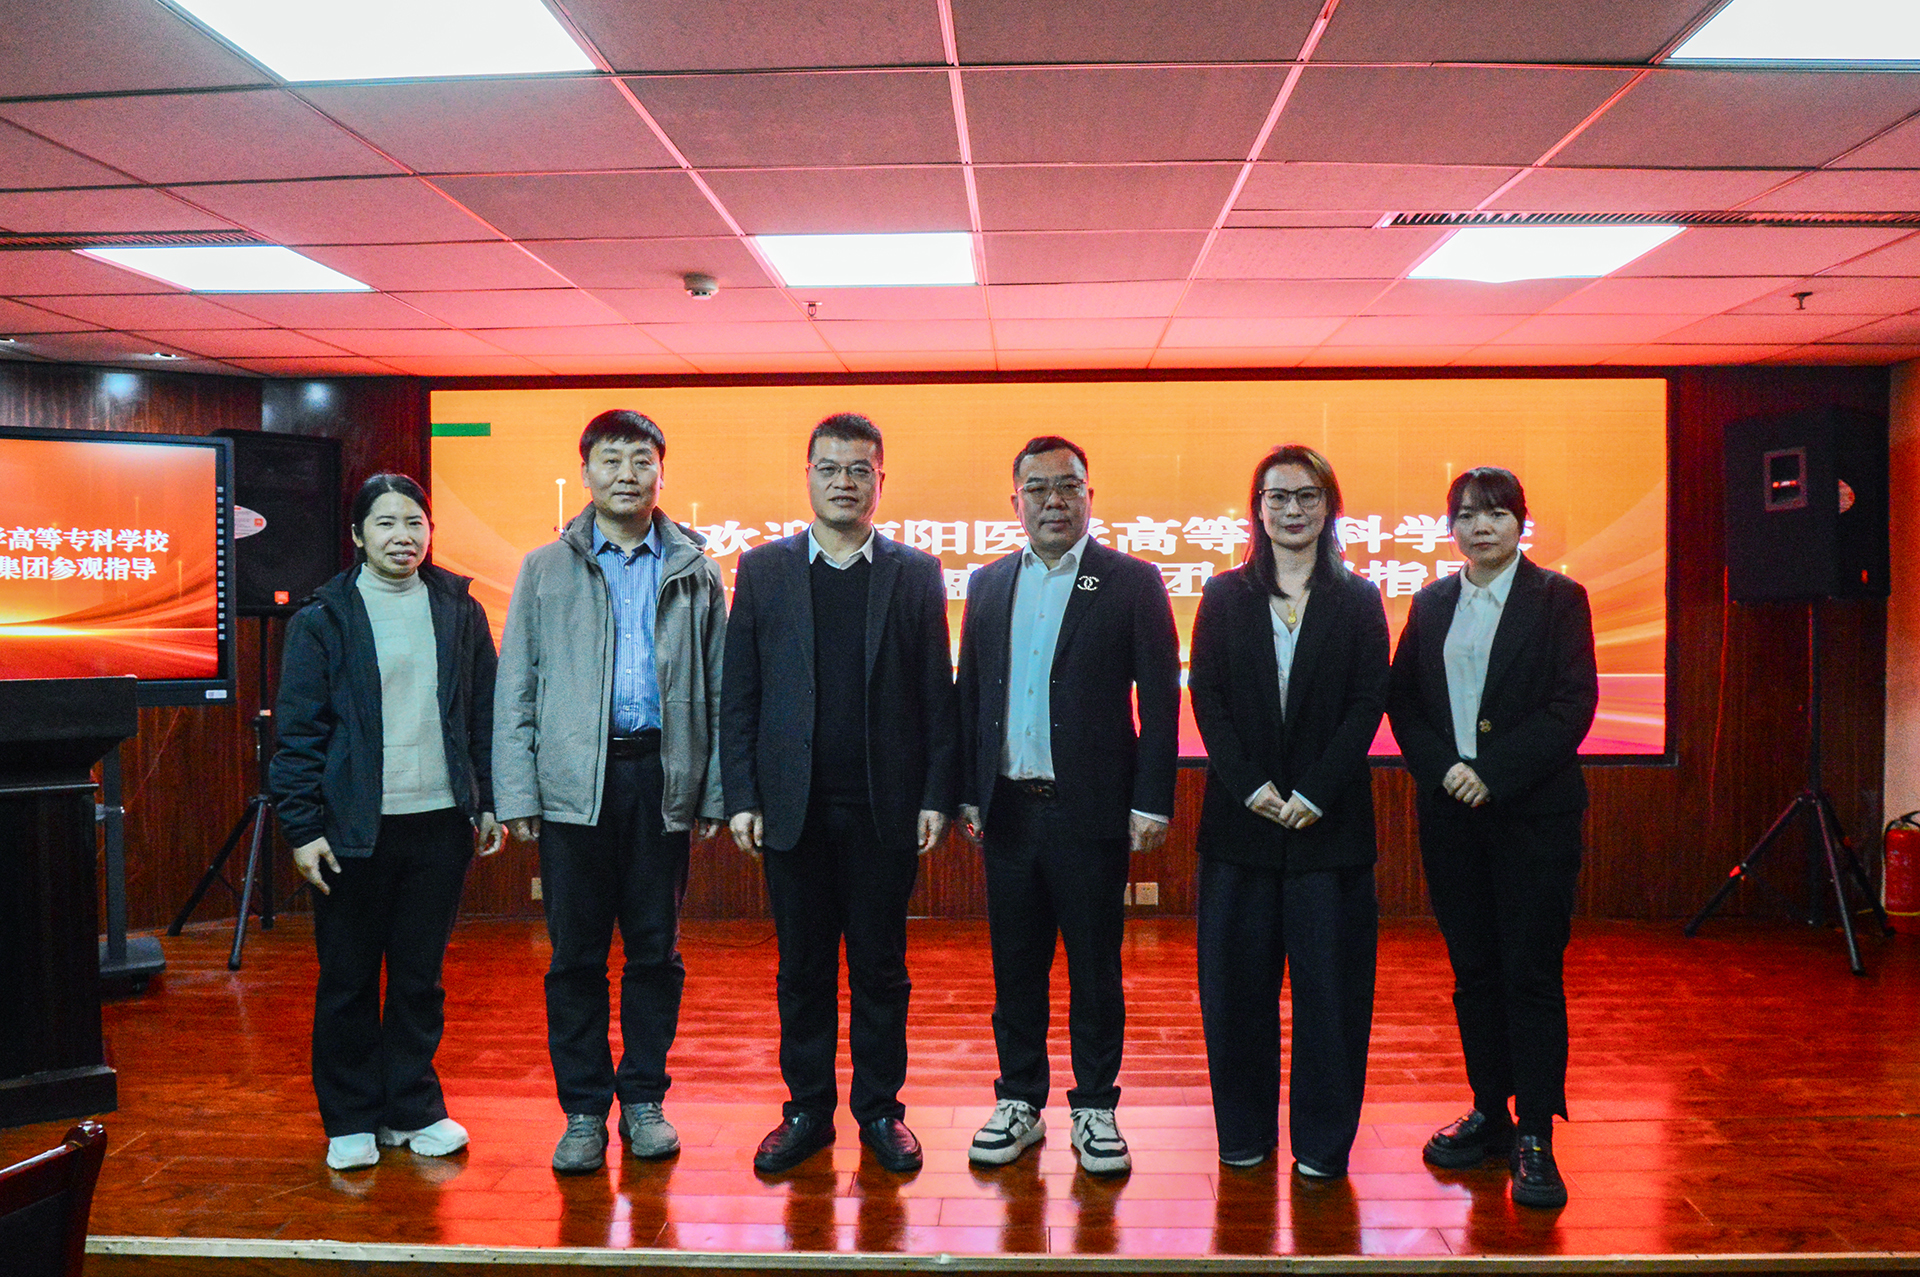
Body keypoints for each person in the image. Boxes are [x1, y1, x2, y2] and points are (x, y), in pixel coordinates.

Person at [721, 412, 958, 1175]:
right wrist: (741, 793)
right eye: (829, 468)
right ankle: (807, 1109)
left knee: (882, 967)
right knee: (802, 968)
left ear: (880, 481)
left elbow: (937, 694)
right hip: (794, 809)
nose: (844, 482)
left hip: (886, 808)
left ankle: (881, 1110)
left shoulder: (915, 573)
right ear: (809, 477)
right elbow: (741, 693)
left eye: (859, 469)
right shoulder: (763, 570)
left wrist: (936, 793)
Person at [493, 409, 728, 1174]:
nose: (627, 474)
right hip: (573, 786)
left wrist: (714, 791)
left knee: (656, 951)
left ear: (662, 472)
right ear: (585, 471)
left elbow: (720, 689)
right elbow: (517, 685)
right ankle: (585, 1111)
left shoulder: (696, 568)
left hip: (661, 779)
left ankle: (646, 1100)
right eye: (612, 459)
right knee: (575, 957)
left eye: (641, 460)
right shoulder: (544, 569)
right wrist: (517, 792)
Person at [955, 435, 1181, 1176]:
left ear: (1089, 495)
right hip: (1009, 812)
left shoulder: (1131, 581)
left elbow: (1160, 698)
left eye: (1068, 486)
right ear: (1014, 500)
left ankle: (1094, 1106)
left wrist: (1152, 801)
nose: (1053, 500)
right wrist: (967, 789)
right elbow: (970, 694)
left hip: (1090, 811)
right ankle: (1019, 1100)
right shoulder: (988, 583)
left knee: (1094, 968)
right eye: (1038, 488)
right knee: (1015, 969)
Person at [272, 473, 504, 1173]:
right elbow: (298, 732)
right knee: (348, 978)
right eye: (386, 523)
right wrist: (302, 827)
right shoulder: (323, 617)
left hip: (439, 823)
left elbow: (483, 714)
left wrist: (487, 799)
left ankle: (412, 1107)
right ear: (357, 535)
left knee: (417, 979)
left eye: (415, 522)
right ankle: (350, 1117)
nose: (403, 536)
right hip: (351, 830)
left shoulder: (459, 609)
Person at [1386, 466, 1598, 1210]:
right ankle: (1489, 1110)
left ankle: (1535, 1130)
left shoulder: (1560, 599)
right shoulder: (1432, 602)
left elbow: (1573, 703)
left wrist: (1492, 774)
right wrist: (1445, 768)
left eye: (1497, 514)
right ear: (1451, 528)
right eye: (1468, 515)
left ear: (1520, 522)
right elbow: (1404, 700)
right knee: (1473, 970)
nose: (1481, 527)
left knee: (1530, 972)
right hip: (1451, 815)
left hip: (1533, 816)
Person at [1188, 445, 1389, 1179]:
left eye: (1307, 496)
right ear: (1258, 508)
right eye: (1277, 497)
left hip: (1329, 831)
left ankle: (1322, 1145)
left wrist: (1314, 792)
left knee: (1332, 998)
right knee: (1235, 995)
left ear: (1329, 507)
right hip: (1240, 827)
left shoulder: (1360, 599)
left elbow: (1368, 700)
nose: (1292, 510)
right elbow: (1207, 696)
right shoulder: (1222, 595)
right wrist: (1250, 786)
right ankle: (1242, 1134)